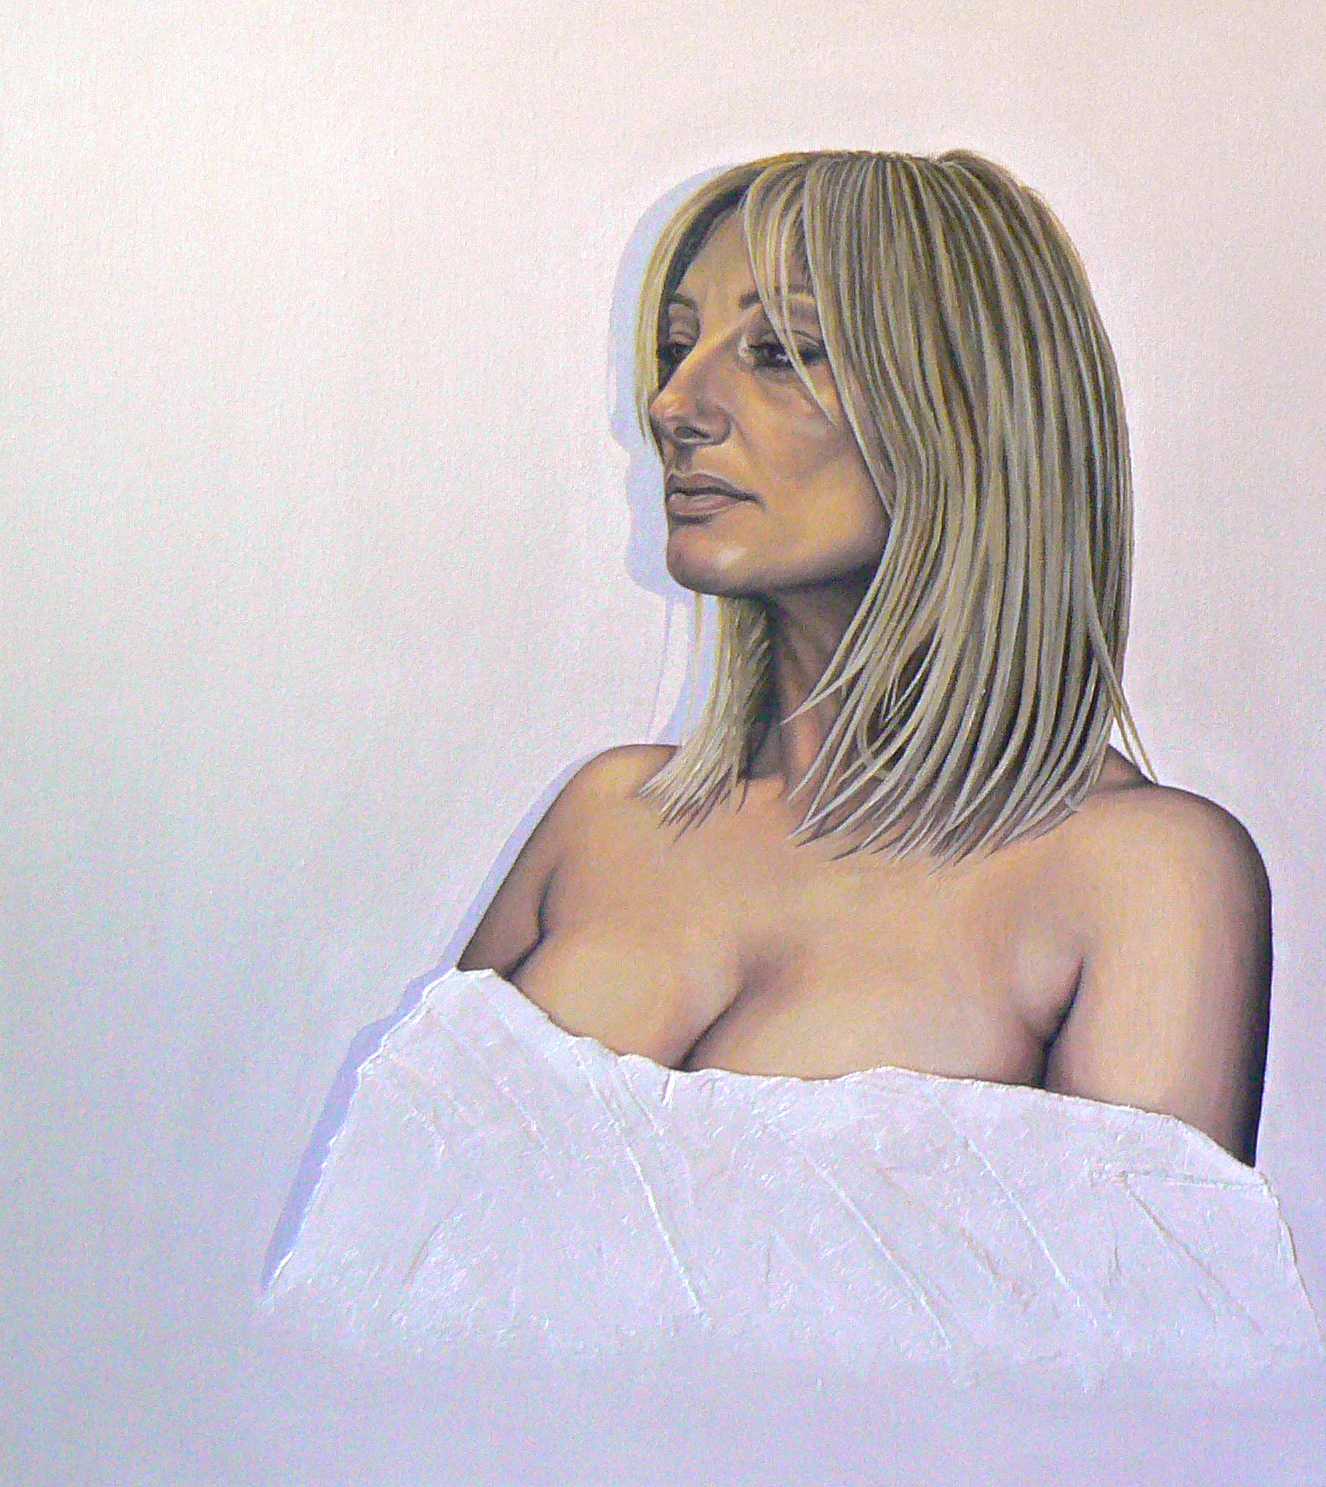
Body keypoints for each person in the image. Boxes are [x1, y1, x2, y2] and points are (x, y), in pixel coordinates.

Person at [459, 150, 1271, 1163]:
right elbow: (387, 1219)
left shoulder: (1142, 875)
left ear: (969, 411)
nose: (673, 405)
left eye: (780, 352)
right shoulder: (606, 817)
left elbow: (1142, 1268)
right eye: (677, 345)